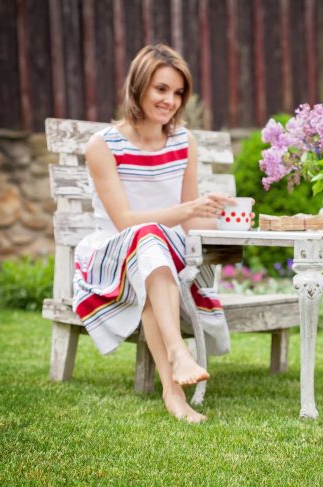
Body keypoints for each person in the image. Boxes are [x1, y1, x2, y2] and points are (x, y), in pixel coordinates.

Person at [72, 44, 235, 424]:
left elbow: (191, 221)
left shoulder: (183, 142)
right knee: (146, 238)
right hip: (113, 256)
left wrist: (227, 219)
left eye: (178, 93)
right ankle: (176, 363)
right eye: (161, 89)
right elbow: (125, 220)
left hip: (160, 258)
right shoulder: (103, 146)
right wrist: (187, 210)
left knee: (152, 254)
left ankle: (173, 389)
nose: (171, 101)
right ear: (139, 87)